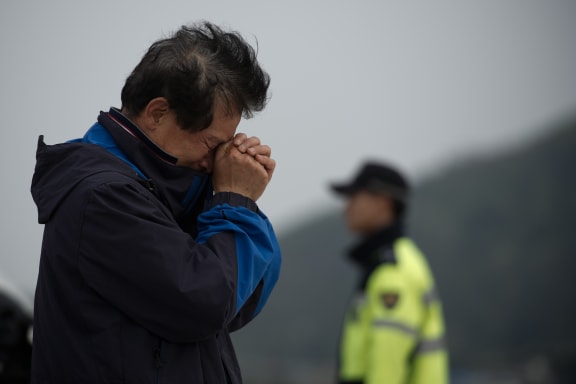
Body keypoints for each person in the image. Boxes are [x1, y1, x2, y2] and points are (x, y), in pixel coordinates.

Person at [30, 21, 281, 384]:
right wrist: (235, 200)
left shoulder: (165, 191)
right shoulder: (103, 197)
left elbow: (241, 302)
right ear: (158, 113)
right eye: (212, 145)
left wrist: (228, 199)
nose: (216, 160)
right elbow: (206, 304)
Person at [329, 161, 448, 384]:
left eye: (354, 197)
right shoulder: (388, 262)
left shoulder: (393, 271)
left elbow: (387, 368)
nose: (346, 208)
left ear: (382, 202)